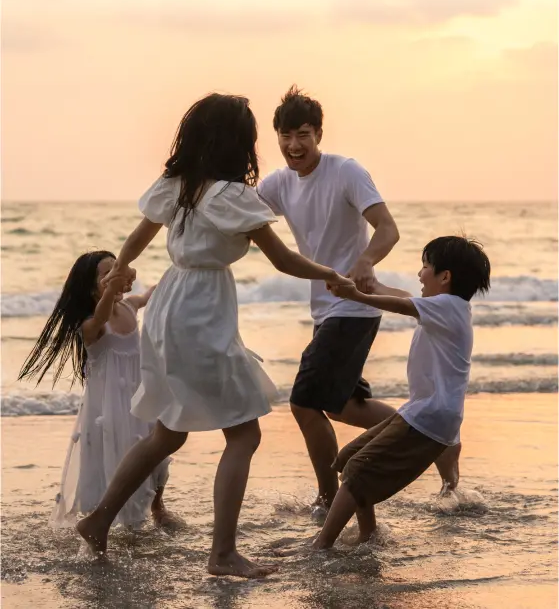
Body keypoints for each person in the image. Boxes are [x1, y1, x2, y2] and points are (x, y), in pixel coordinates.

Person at [75, 93, 353, 578]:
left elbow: (138, 238)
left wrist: (121, 269)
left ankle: (99, 520)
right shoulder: (233, 196)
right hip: (202, 310)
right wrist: (335, 274)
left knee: (167, 432)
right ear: (238, 143)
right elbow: (284, 260)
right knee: (244, 433)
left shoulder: (178, 185)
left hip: (169, 308)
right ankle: (222, 553)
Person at [258, 85, 405, 515]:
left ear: (318, 134)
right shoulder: (280, 184)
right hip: (325, 311)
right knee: (344, 406)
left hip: (354, 305)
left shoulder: (346, 171)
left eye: (303, 134)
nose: (293, 146)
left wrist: (365, 260)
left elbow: (387, 228)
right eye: (285, 136)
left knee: (304, 401)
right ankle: (424, 434)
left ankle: (327, 497)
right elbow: (239, 214)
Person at [304, 236, 491, 550]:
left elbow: (401, 304)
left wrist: (357, 295)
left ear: (445, 277)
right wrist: (365, 285)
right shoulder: (448, 307)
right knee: (348, 461)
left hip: (430, 417)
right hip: (421, 411)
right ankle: (369, 536)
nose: (420, 274)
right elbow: (402, 295)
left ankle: (322, 546)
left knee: (358, 471)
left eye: (426, 266)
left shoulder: (447, 307)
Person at [18, 251, 175, 529]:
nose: (117, 276)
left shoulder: (129, 307)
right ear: (91, 287)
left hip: (141, 394)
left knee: (157, 448)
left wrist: (179, 267)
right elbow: (102, 314)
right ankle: (109, 517)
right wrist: (114, 285)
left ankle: (157, 505)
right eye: (107, 275)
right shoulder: (90, 325)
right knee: (118, 455)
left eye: (118, 269)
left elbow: (150, 295)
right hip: (110, 407)